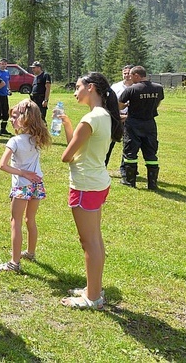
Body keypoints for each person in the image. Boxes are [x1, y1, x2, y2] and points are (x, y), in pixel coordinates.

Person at [59, 72, 123, 310]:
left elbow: (67, 156)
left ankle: (93, 297)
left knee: (89, 242)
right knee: (95, 239)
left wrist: (70, 137)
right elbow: (78, 147)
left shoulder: (90, 120)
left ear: (92, 88)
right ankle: (93, 288)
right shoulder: (104, 115)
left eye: (78, 87)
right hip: (98, 182)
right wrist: (67, 124)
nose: (75, 92)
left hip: (85, 185)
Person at [0, 99, 51, 273]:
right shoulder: (37, 138)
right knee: (30, 219)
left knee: (15, 222)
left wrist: (23, 173)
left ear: (25, 119)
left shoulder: (15, 141)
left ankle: (14, 263)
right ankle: (30, 252)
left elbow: (2, 165)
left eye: (15, 116)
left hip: (22, 186)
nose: (11, 119)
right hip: (36, 185)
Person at [118, 65, 164, 189]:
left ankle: (130, 181)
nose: (130, 78)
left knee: (130, 151)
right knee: (151, 152)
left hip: (133, 123)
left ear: (137, 75)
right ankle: (152, 184)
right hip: (150, 123)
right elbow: (158, 103)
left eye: (131, 76)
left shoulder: (132, 89)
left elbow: (120, 105)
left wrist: (128, 104)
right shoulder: (158, 88)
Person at [104, 65, 133, 175]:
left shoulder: (137, 87)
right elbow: (109, 102)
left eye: (128, 73)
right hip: (116, 118)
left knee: (128, 144)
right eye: (124, 73)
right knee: (109, 143)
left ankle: (124, 168)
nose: (126, 76)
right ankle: (103, 165)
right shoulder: (116, 87)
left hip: (130, 119)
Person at [0, 59, 13, 136]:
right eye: (2, 64)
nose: (3, 65)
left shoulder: (7, 72)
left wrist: (9, 89)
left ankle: (3, 129)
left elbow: (7, 82)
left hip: (4, 95)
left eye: (5, 64)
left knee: (6, 112)